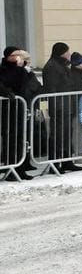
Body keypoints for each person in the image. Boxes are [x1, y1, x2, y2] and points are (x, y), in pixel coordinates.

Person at [1, 46, 41, 180]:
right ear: (8, 57)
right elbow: (7, 83)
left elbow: (24, 84)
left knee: (21, 139)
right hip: (8, 110)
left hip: (21, 107)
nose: (18, 57)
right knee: (10, 140)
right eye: (14, 55)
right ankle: (10, 168)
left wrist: (21, 69)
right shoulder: (3, 69)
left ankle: (21, 168)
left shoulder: (22, 70)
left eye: (19, 54)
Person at [42, 42, 82, 172]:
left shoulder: (63, 65)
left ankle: (67, 161)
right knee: (57, 136)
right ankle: (54, 163)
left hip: (67, 105)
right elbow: (52, 88)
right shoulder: (52, 66)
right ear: (61, 53)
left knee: (67, 135)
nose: (69, 54)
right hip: (59, 107)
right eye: (67, 51)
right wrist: (58, 106)